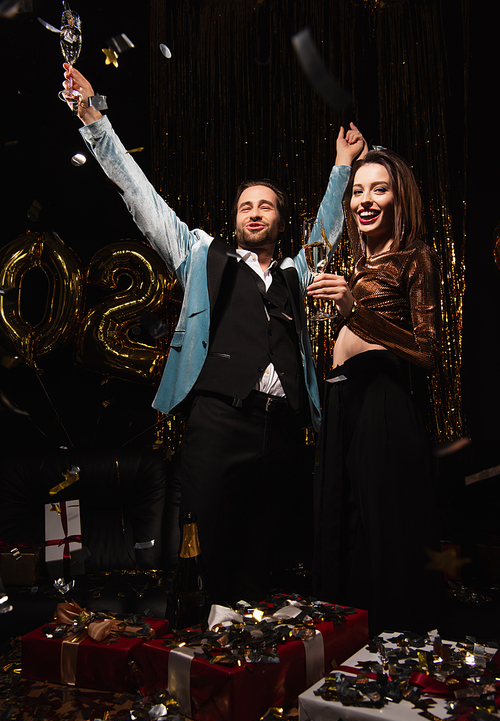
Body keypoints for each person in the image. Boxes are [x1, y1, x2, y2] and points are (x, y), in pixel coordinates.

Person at [62, 64, 365, 604]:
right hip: (220, 420)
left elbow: (327, 229)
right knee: (207, 552)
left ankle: (261, 666)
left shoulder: (298, 271)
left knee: (271, 554)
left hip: (284, 429)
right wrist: (94, 119)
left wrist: (343, 165)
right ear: (234, 219)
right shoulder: (201, 256)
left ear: (280, 219)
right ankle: (206, 655)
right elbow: (142, 196)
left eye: (266, 204)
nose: (255, 211)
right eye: (246, 205)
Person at [307, 147, 442, 634]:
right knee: (346, 528)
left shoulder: (415, 256)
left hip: (385, 401)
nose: (365, 201)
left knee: (386, 531)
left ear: (398, 197)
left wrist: (353, 310)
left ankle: (396, 644)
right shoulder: (359, 266)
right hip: (345, 401)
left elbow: (428, 351)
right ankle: (348, 648)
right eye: (358, 192)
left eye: (378, 189)